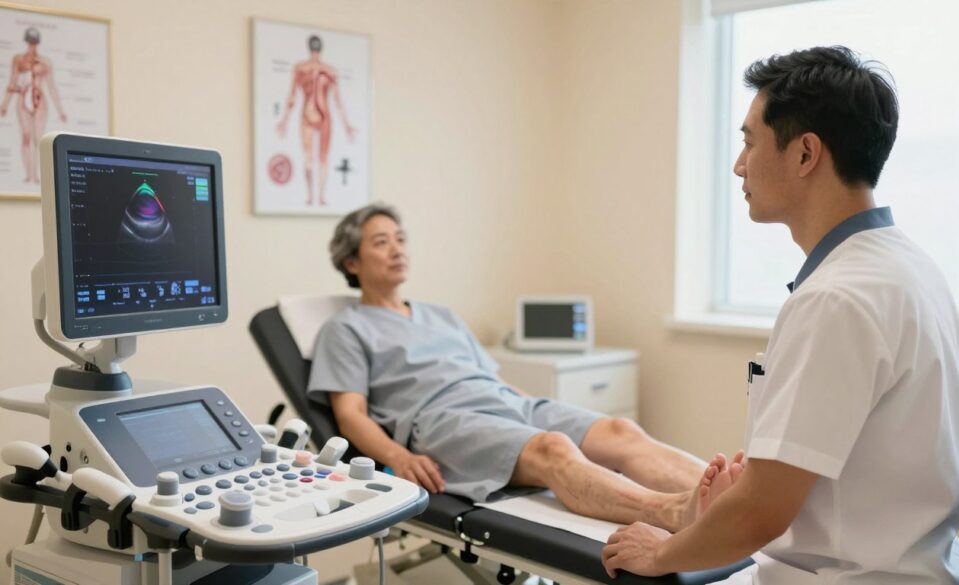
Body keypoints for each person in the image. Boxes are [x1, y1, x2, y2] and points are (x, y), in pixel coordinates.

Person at [601, 46, 959, 584]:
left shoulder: (835, 299)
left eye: (749, 141)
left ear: (805, 155)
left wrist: (662, 551)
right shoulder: (908, 265)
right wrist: (755, 487)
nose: (738, 165)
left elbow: (759, 517)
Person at [307, 203, 740, 531]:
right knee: (552, 448)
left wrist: (534, 405)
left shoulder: (441, 315)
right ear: (351, 262)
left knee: (620, 431)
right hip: (441, 422)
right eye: (381, 241)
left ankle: (738, 498)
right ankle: (674, 512)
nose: (397, 248)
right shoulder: (345, 329)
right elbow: (350, 415)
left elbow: (491, 380)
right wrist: (399, 457)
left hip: (502, 400)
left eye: (400, 238)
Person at [277, 34, 357, 206]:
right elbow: (337, 100)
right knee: (323, 158)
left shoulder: (300, 68)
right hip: (324, 113)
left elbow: (292, 97)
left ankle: (310, 196)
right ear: (321, 48)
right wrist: (347, 125)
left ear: (309, 47)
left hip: (307, 112)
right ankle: (320, 196)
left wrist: (284, 121)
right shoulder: (329, 70)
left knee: (308, 157)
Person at [0, 27, 67, 184]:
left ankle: (36, 176)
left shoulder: (45, 63)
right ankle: (29, 174)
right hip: (23, 100)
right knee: (26, 137)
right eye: (30, 43)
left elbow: (51, 87)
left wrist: (60, 111)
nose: (32, 46)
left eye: (34, 43)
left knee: (38, 139)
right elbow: (13, 81)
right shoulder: (18, 60)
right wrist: (4, 105)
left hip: (39, 100)